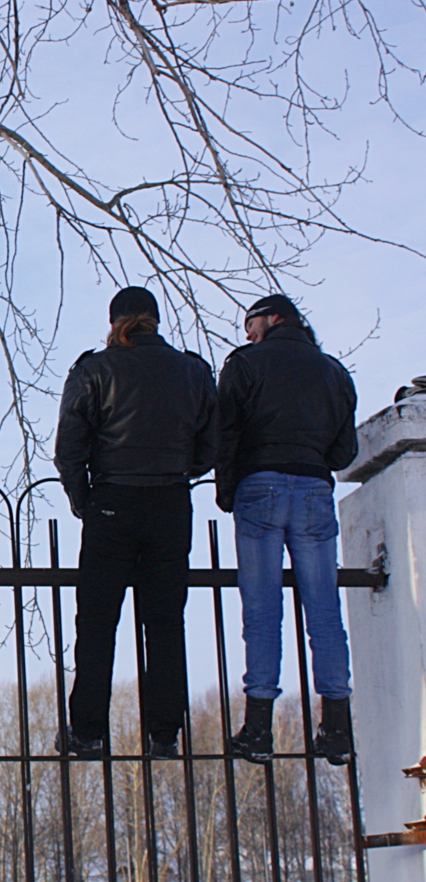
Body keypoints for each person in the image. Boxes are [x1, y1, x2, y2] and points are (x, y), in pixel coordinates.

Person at [54, 287, 218, 758]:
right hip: (169, 501)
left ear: (114, 322)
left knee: (98, 623)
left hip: (112, 501)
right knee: (165, 624)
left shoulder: (94, 369)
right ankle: (164, 734)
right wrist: (179, 472)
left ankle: (87, 733)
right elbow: (210, 445)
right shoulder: (191, 371)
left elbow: (69, 448)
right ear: (156, 321)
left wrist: (86, 501)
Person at [218, 294, 359, 765]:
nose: (247, 332)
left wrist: (227, 489)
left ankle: (259, 728)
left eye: (250, 322)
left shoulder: (245, 365)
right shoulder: (334, 372)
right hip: (314, 491)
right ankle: (336, 727)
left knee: (261, 611)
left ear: (274, 318)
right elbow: (343, 454)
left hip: (259, 486)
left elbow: (227, 434)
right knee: (324, 611)